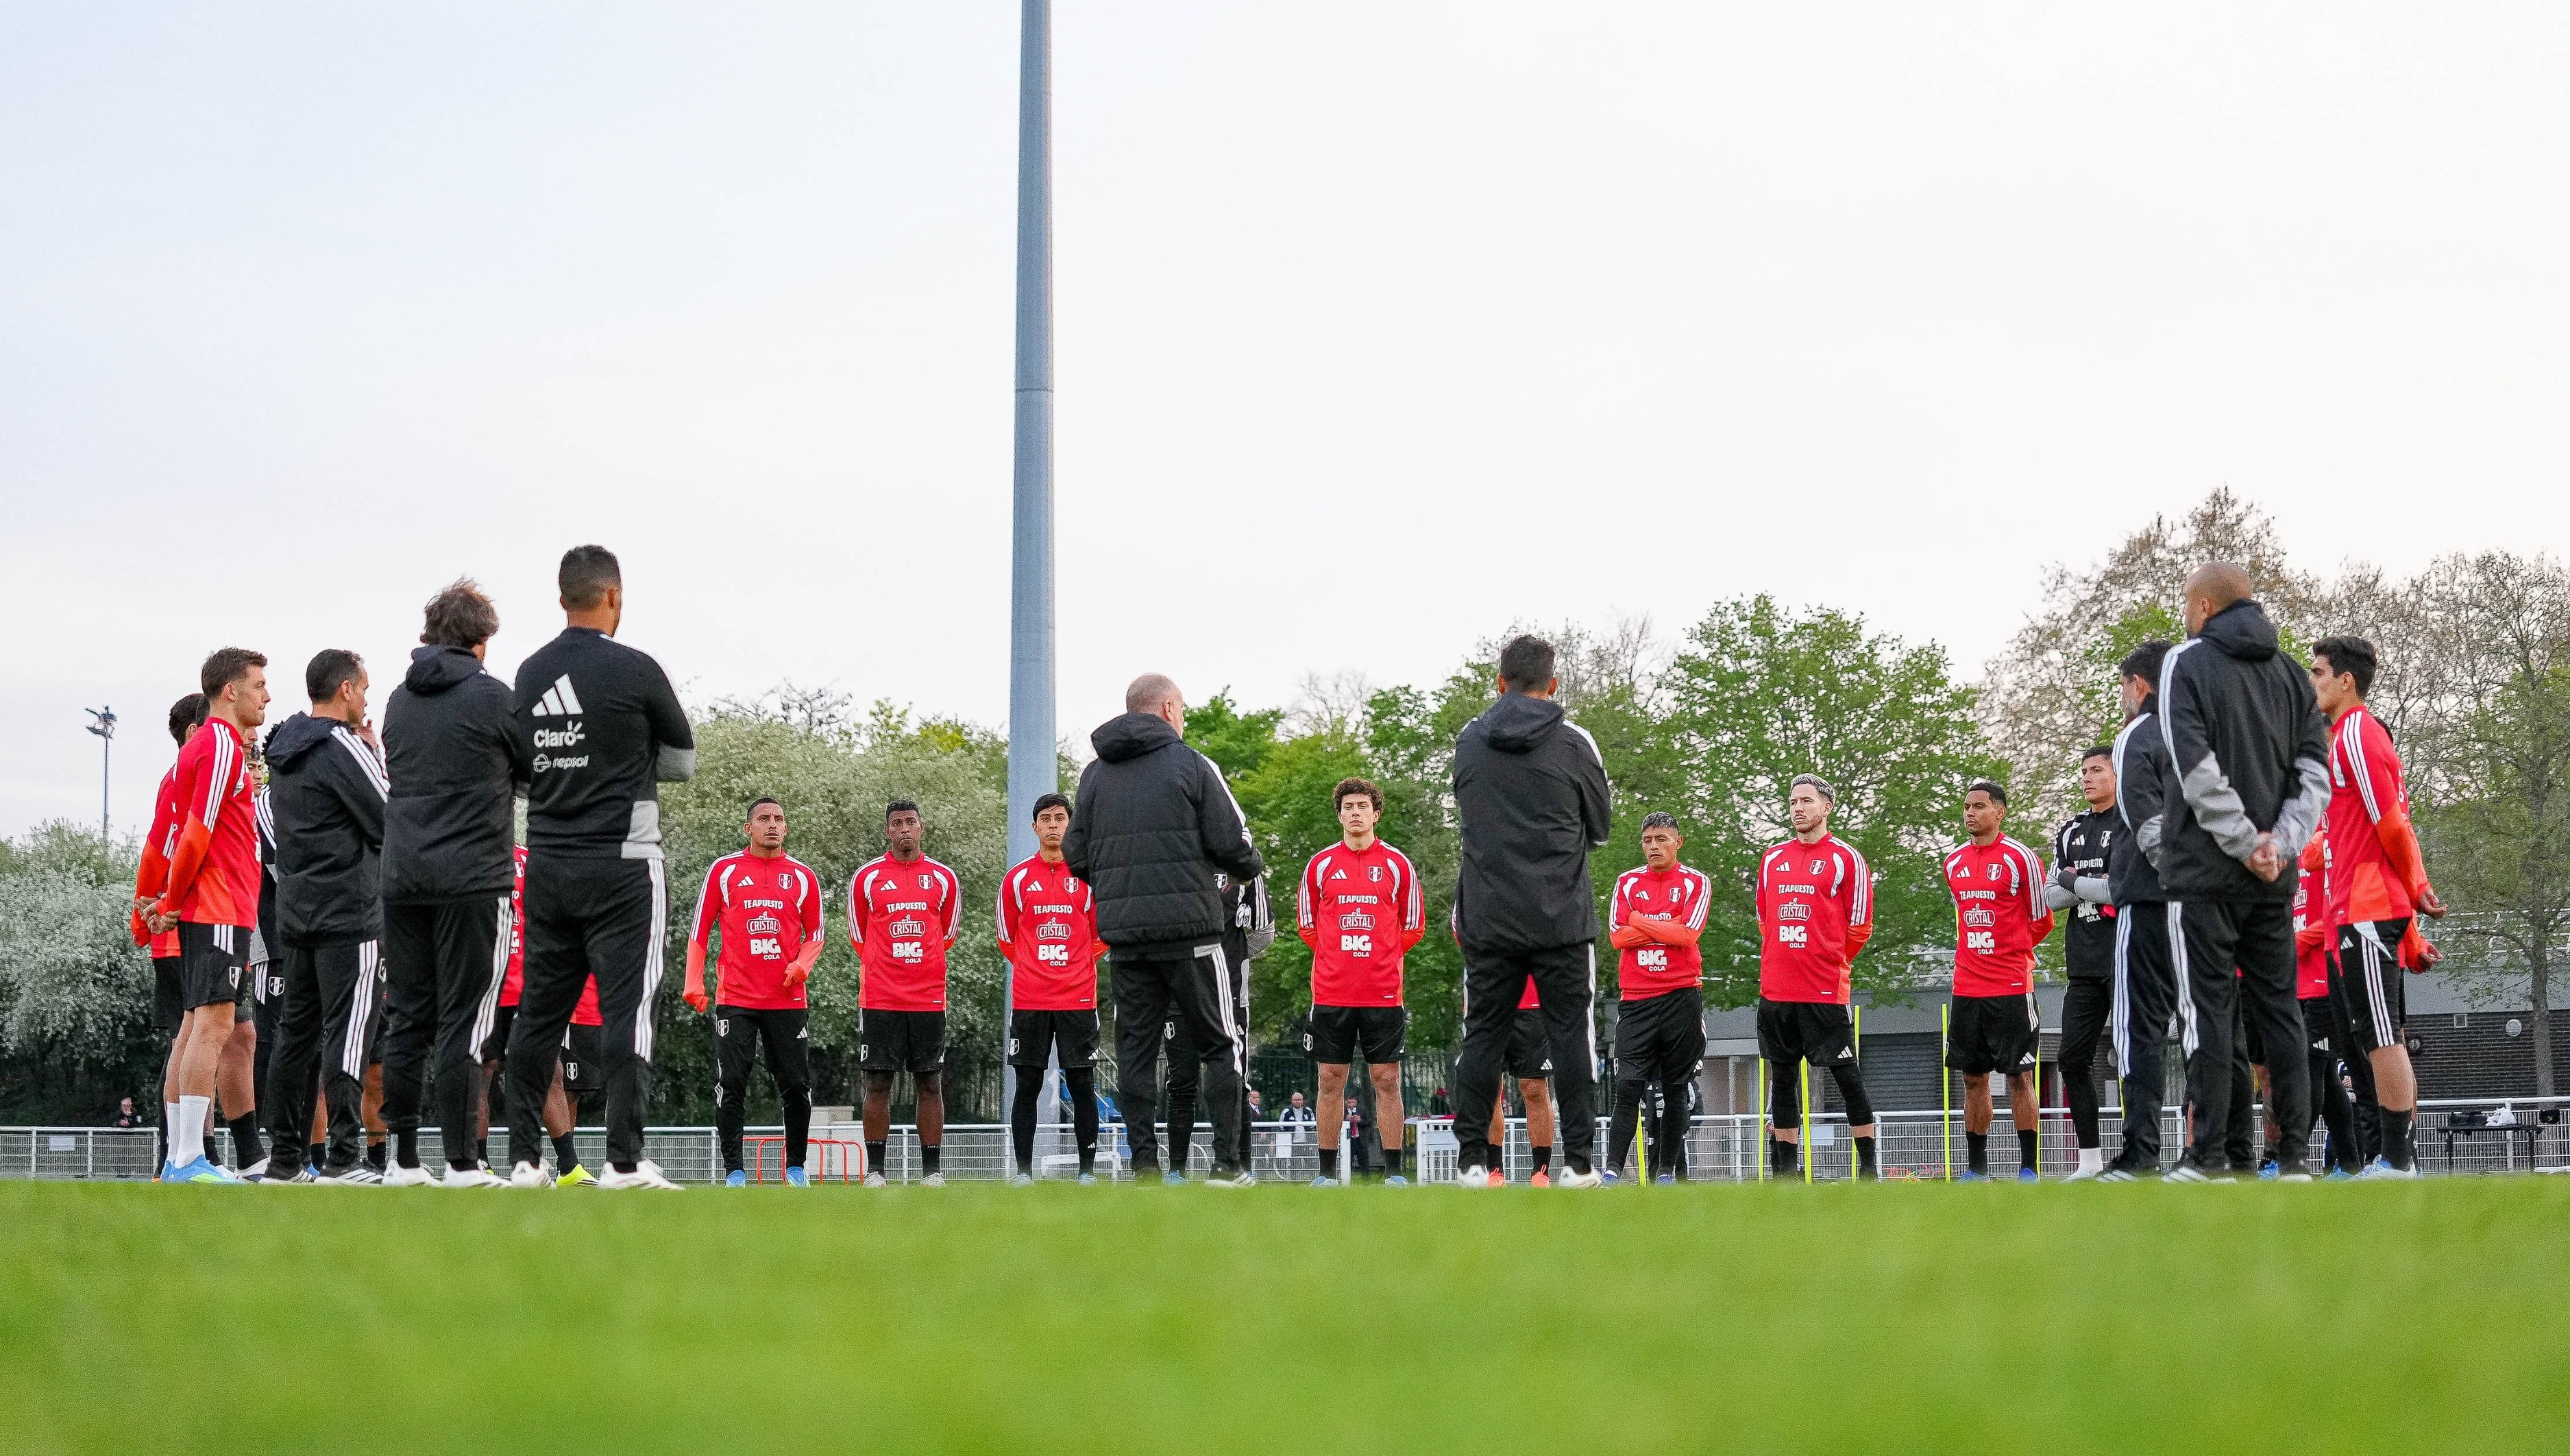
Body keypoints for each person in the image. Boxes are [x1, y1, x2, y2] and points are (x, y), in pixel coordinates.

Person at [506, 547, 696, 1191]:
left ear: (562, 598)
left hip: (550, 865)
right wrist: (626, 761)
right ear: (614, 595)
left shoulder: (530, 673)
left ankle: (526, 1161)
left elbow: (522, 772)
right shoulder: (637, 670)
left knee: (538, 1015)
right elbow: (683, 761)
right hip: (625, 868)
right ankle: (621, 1161)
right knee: (628, 1012)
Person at [2152, 564, 2330, 1181]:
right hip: (2274, 879)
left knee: (2206, 1012)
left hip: (2204, 873)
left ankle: (2210, 1157)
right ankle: (2297, 1156)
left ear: (2203, 605)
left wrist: (2241, 840)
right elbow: (2315, 771)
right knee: (2281, 1013)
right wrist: (2280, 845)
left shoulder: (2185, 661)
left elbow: (2191, 759)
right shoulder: (2291, 675)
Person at [1063, 674, 1264, 1187]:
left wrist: (1119, 885)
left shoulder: (1093, 776)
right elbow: (1232, 839)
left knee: (1136, 1053)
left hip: (1126, 942)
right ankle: (1226, 1164)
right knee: (1221, 1044)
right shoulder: (1193, 763)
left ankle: (1146, 1167)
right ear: (1169, 707)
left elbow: (1076, 853)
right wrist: (1245, 866)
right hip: (1193, 935)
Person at [381, 578, 535, 1188]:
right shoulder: (495, 697)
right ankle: (464, 1163)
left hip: (402, 877)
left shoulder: (397, 698)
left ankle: (401, 1160)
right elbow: (530, 773)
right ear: (481, 638)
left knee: (408, 1017)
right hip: (473, 879)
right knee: (466, 1021)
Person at [1448, 635, 1612, 1189]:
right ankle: (1578, 1162)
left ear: (1499, 682)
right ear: (1554, 685)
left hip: (1489, 914)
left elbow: (1471, 813)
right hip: (1561, 917)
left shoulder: (1469, 741)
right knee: (1571, 1036)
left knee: (1482, 1036)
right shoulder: (1574, 741)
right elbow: (1601, 826)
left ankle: (1472, 1160)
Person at [2311, 634, 2447, 1179]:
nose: (2313, 682)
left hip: (2369, 906)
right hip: (2352, 908)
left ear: (2347, 681)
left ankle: (2397, 1158)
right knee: (2370, 1036)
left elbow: (2391, 822)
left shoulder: (2358, 735)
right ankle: (2392, 1157)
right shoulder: (2342, 738)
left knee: (2382, 1033)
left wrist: (2416, 891)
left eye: (2319, 672)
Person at [259, 648, 389, 1185]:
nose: (365, 700)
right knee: (349, 1031)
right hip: (350, 914)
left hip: (297, 915)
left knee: (296, 1035)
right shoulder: (342, 744)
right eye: (363, 689)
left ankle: (285, 1159)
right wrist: (375, 754)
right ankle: (342, 1157)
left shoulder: (283, 752)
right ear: (344, 690)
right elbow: (388, 815)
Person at [144, 647, 269, 1184]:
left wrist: (165, 898)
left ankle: (179, 1158)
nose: (267, 695)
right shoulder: (219, 744)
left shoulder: (209, 748)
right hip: (220, 905)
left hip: (213, 905)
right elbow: (196, 830)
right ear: (230, 691)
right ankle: (190, 1158)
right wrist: (169, 900)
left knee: (196, 1027)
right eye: (259, 684)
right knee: (214, 1026)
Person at [687, 798, 825, 1187]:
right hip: (736, 999)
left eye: (779, 819)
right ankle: (734, 1171)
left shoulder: (802, 876)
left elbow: (816, 934)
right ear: (748, 828)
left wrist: (803, 964)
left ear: (786, 828)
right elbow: (700, 930)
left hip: (787, 1000)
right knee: (731, 1083)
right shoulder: (725, 871)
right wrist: (693, 981)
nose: (772, 825)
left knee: (797, 1086)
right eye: (764, 819)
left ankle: (796, 1169)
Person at [1297, 777, 1424, 1185]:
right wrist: (1339, 957)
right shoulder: (1319, 866)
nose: (1355, 813)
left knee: (1386, 1079)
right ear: (1339, 815)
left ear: (1376, 813)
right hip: (1331, 993)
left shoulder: (1397, 864)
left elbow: (1413, 926)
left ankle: (1393, 1172)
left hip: (1383, 993)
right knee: (1329, 1079)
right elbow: (1307, 926)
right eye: (1348, 806)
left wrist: (1379, 955)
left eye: (1362, 806)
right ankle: (1327, 1173)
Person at [1754, 776, 1880, 1181]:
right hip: (1776, 990)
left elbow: (1859, 926)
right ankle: (1787, 1174)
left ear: (1826, 807)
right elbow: (1765, 919)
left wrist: (1829, 961)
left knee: (1847, 1076)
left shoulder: (1847, 858)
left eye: (1806, 801)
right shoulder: (1773, 858)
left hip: (1825, 991)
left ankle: (1867, 1167)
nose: (1797, 808)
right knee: (1784, 1078)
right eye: (1792, 801)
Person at [1941, 781, 2053, 1181]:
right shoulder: (1953, 862)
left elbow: (2041, 920)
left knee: (2019, 1076)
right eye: (1966, 807)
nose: (1970, 813)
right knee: (1973, 1078)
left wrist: (2008, 952)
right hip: (1967, 988)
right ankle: (1976, 1170)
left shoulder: (2021, 858)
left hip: (2011, 988)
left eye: (1979, 806)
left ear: (1999, 812)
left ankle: (2028, 1168)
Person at [848, 800, 963, 1187]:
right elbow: (858, 934)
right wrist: (887, 966)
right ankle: (876, 1171)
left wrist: (920, 963)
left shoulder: (944, 878)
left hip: (929, 997)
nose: (904, 830)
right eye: (896, 824)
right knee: (878, 1083)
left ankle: (932, 1171)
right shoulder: (867, 877)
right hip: (880, 998)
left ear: (922, 827)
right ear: (888, 832)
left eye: (911, 822)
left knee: (930, 1081)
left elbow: (947, 934)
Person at [2101, 641, 2183, 1181]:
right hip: (2208, 900)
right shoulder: (2203, 731)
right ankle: (2218, 1150)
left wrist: (2172, 872)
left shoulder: (2139, 735)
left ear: (2139, 684)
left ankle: (2141, 1150)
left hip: (2152, 892)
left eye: (2123, 685)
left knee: (2138, 1027)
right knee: (2205, 1024)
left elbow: (2141, 813)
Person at [998, 793, 1104, 1185]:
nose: (1054, 825)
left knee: (1082, 1082)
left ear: (1070, 825)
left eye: (1060, 818)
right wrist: (1035, 967)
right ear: (1035, 827)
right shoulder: (1017, 879)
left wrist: (1075, 965)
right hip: (1031, 998)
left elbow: (1102, 934)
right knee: (1028, 1083)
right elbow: (1006, 938)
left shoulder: (1088, 877)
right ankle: (1024, 1172)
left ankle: (1087, 1172)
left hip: (1078, 998)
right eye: (1046, 818)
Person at [1603, 812, 1711, 1185]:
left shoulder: (1696, 882)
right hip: (1637, 998)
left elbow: (1688, 935)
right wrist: (1667, 927)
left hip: (1681, 995)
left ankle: (1667, 1170)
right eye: (1648, 840)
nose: (1654, 846)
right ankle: (1614, 1168)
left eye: (1662, 839)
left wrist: (1641, 921)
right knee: (1628, 1085)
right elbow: (1617, 937)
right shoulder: (1628, 882)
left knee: (1675, 1085)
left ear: (1678, 842)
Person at [478, 846, 594, 1186]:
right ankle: (478, 1164)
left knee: (548, 1070)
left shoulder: (530, 861)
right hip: (482, 986)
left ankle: (569, 1167)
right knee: (480, 1072)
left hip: (529, 984)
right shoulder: (468, 855)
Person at [2046, 748, 2120, 1179]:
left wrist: (2074, 880)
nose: (2088, 778)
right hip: (2084, 964)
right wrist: (2089, 883)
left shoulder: (2131, 821)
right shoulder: (2071, 829)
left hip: (2129, 960)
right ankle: (2089, 1160)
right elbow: (2050, 897)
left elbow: (2121, 890)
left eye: (2097, 770)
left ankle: (2139, 1150)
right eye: (2084, 772)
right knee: (2073, 1058)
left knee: (2133, 1058)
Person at [2291, 835, 2364, 1176]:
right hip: (2298, 981)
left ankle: (2295, 1159)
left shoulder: (2328, 839)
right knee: (2326, 1075)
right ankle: (2349, 1164)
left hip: (2326, 977)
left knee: (2311, 1066)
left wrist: (2298, 943)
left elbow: (2339, 912)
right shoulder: (2289, 845)